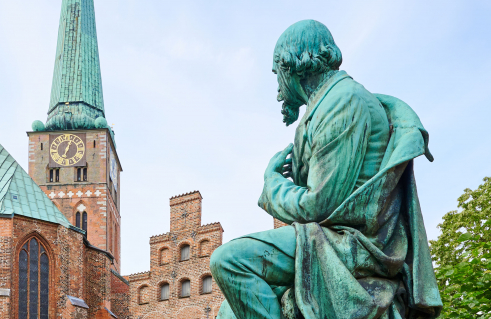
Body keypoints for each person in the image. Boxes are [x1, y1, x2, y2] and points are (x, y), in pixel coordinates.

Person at [211, 20, 442, 319]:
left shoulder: (342, 101)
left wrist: (272, 185)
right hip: (327, 238)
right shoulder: (324, 107)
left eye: (276, 73)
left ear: (294, 64)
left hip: (353, 243)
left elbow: (318, 205)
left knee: (230, 261)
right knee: (229, 309)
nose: (278, 86)